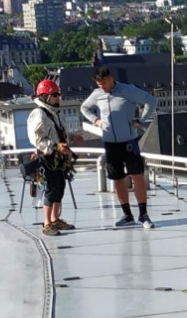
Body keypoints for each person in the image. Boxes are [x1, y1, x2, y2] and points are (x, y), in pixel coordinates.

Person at [81, 66, 156, 229]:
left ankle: (143, 215)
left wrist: (141, 120)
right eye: (99, 83)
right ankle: (127, 215)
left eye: (104, 82)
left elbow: (151, 101)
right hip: (110, 143)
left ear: (111, 78)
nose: (102, 86)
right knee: (117, 178)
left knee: (136, 175)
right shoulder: (97, 94)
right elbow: (84, 108)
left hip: (129, 141)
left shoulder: (127, 90)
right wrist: (96, 120)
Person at [29, 77, 75, 236]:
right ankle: (47, 223)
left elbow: (59, 133)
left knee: (60, 187)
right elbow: (36, 138)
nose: (58, 98)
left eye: (58, 95)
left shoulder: (54, 113)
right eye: (54, 95)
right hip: (47, 157)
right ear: (45, 97)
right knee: (51, 189)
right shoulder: (39, 114)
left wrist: (68, 144)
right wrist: (55, 146)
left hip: (58, 156)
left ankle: (55, 219)